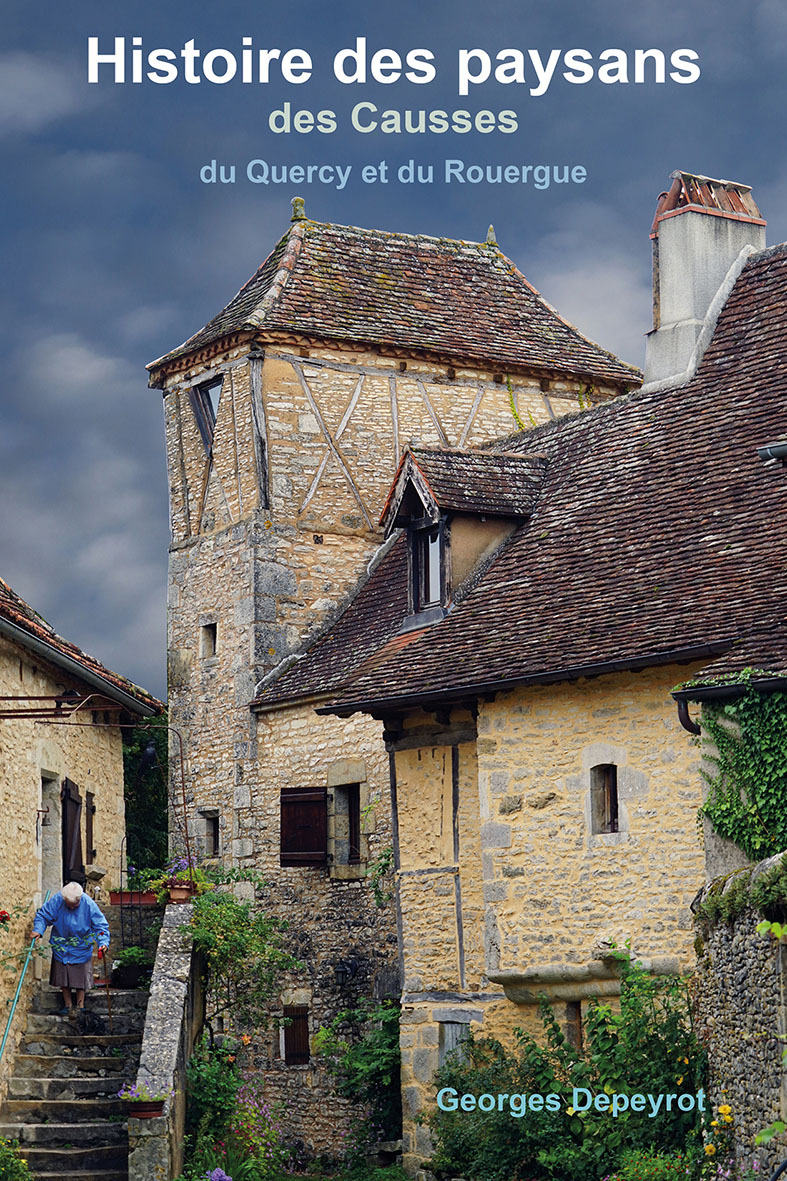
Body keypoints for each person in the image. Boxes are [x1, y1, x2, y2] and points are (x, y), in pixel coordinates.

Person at [32, 881, 110, 1016]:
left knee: (80, 977)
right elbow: (43, 916)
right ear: (64, 899)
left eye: (75, 905)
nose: (72, 907)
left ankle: (80, 1006)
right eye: (70, 904)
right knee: (63, 976)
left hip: (81, 945)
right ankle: (67, 1005)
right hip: (61, 944)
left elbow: (101, 927)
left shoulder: (88, 904)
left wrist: (103, 942)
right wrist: (38, 930)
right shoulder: (57, 900)